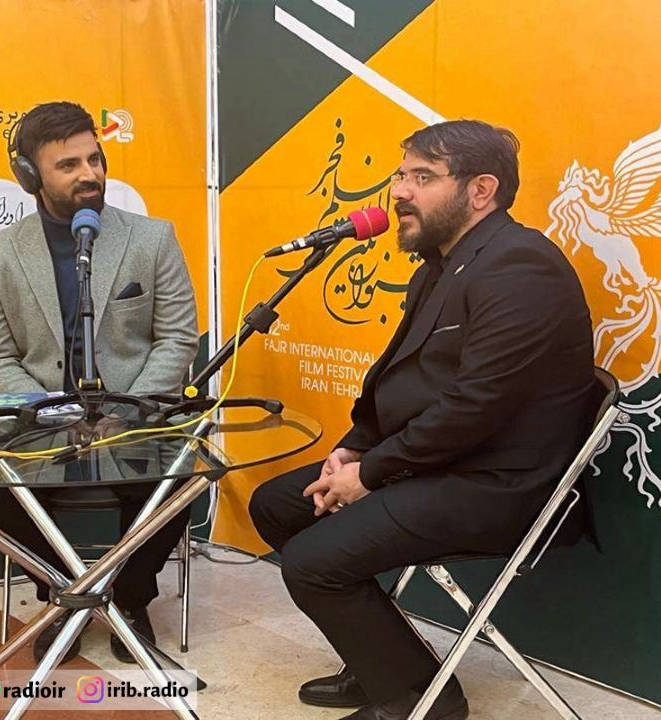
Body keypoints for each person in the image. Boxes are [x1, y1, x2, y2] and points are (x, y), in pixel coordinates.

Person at [248, 120, 598, 720]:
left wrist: (370, 474)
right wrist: (356, 448)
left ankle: (419, 703)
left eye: (422, 177)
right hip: (444, 462)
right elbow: (404, 382)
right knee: (278, 505)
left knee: (313, 565)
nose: (399, 192)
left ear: (481, 190)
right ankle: (390, 666)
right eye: (400, 175)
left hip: (498, 484)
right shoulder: (441, 265)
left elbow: (475, 406)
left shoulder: (521, 266)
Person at [0, 101, 198, 663]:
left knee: (179, 482)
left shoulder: (152, 239)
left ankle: (130, 599)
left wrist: (126, 412)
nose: (89, 174)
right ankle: (65, 596)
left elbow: (177, 339)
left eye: (94, 159)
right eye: (68, 165)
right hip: (43, 426)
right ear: (30, 176)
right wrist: (54, 416)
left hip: (135, 421)